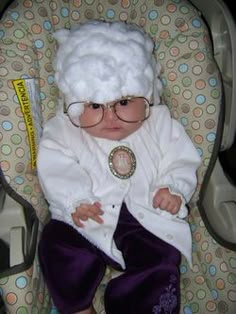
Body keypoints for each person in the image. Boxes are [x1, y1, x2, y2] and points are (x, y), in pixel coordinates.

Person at [37, 20, 201, 314]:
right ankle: (78, 306)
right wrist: (76, 199)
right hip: (89, 215)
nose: (110, 117)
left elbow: (181, 158)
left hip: (147, 216)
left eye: (123, 101)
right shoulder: (62, 131)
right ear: (74, 103)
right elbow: (54, 165)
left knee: (162, 262)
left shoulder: (160, 123)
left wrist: (174, 187)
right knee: (56, 244)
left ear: (146, 93)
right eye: (95, 105)